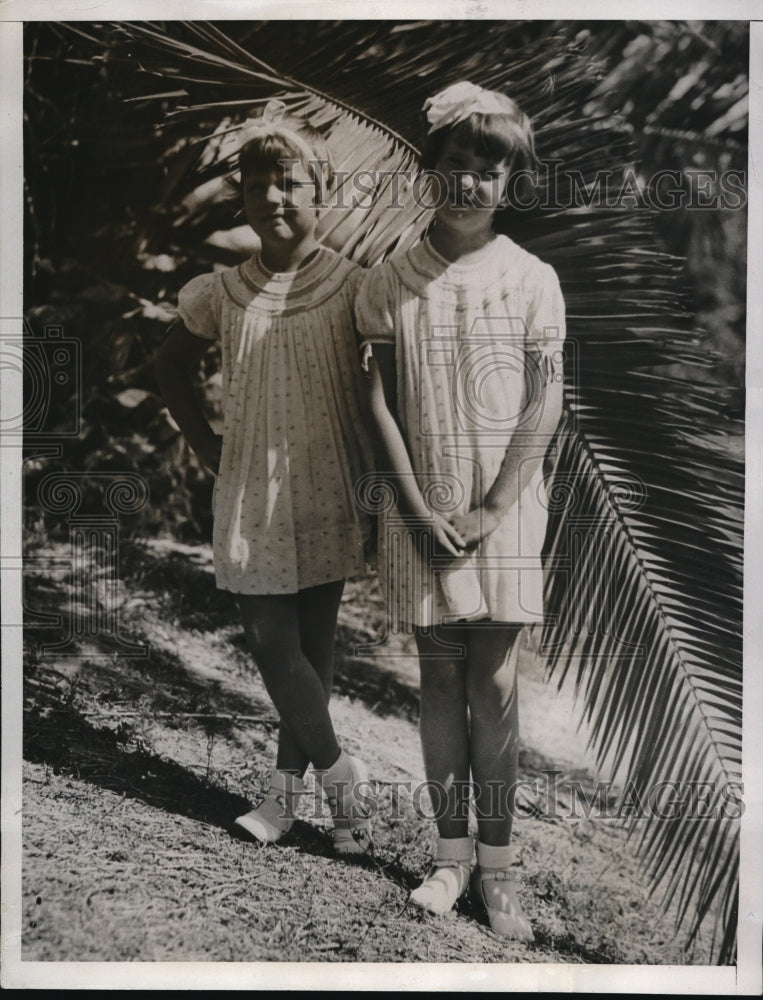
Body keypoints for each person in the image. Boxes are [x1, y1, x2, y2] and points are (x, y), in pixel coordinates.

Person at [355, 81, 566, 939]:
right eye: (454, 166)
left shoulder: (532, 279)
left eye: (489, 171)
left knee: (495, 678)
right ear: (428, 171)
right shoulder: (387, 281)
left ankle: (498, 873)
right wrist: (413, 508)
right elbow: (376, 405)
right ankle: (447, 859)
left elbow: (543, 404)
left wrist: (492, 507)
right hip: (422, 513)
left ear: (509, 181)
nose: (469, 184)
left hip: (502, 513)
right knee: (438, 676)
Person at [154, 104, 375, 856]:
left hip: (328, 484)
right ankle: (345, 783)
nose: (274, 200)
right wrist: (209, 447)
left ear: (321, 189)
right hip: (251, 489)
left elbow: (393, 388)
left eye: (289, 184)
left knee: (310, 654)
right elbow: (168, 368)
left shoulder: (355, 287)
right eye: (257, 186)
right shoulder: (220, 290)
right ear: (239, 197)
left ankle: (289, 807)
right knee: (269, 643)